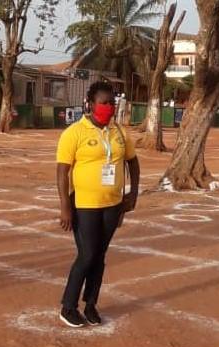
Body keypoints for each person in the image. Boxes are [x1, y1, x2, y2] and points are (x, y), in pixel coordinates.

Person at [56, 81, 140, 327]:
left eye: (112, 102)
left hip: (112, 204)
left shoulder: (120, 132)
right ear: (91, 104)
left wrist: (133, 194)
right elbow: (62, 172)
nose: (108, 107)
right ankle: (68, 306)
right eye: (103, 103)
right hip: (84, 204)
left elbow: (133, 163)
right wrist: (65, 206)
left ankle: (91, 304)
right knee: (87, 254)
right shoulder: (74, 132)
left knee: (100, 255)